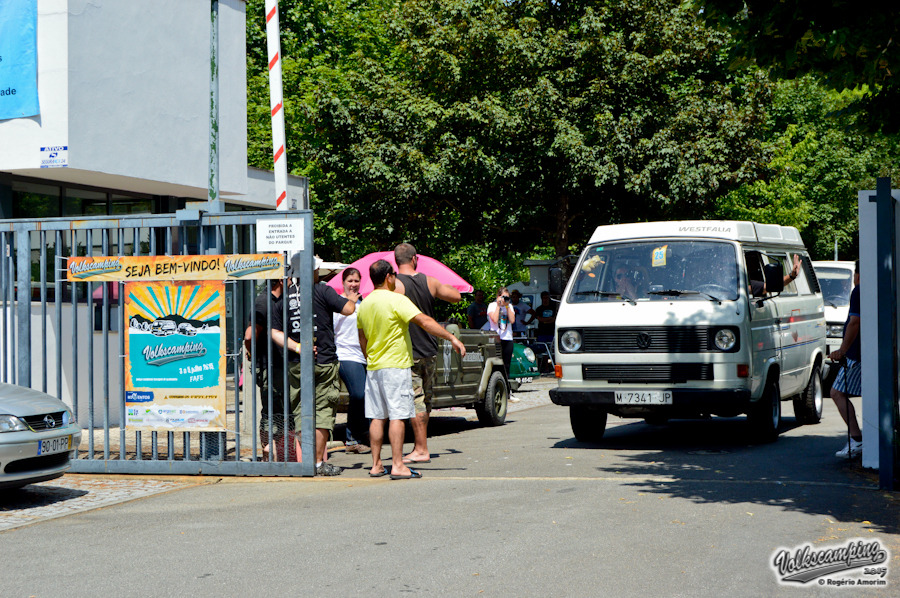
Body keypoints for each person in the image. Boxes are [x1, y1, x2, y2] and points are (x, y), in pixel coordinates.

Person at [357, 259, 466, 479]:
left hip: (374, 366)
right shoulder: (397, 299)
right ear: (388, 277)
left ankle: (376, 465)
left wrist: (370, 356)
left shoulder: (365, 303)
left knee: (377, 417)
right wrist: (451, 337)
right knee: (397, 415)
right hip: (395, 365)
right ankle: (398, 465)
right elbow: (424, 321)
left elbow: (362, 339)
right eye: (394, 276)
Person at [393, 242, 461, 465]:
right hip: (431, 349)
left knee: (415, 401)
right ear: (414, 259)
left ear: (396, 261)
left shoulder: (394, 285)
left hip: (408, 350)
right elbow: (456, 296)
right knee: (426, 400)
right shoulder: (429, 282)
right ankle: (419, 446)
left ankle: (421, 448)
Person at [310, 259, 357, 476]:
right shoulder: (322, 290)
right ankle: (317, 463)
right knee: (323, 412)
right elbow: (347, 309)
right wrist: (350, 301)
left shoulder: (289, 292)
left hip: (296, 360)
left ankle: (301, 461)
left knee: (302, 412)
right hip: (324, 360)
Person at [243, 278, 287, 461]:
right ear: (281, 281)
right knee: (271, 411)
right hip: (269, 365)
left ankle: (277, 452)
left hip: (279, 364)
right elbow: (249, 335)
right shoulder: (263, 302)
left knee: (280, 411)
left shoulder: (279, 301)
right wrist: (253, 354)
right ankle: (267, 453)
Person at [333, 267, 369, 454]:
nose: (353, 284)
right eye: (350, 281)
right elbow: (332, 328)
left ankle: (362, 435)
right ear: (344, 283)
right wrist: (348, 305)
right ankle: (351, 437)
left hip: (364, 355)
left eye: (356, 281)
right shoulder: (336, 303)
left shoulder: (364, 305)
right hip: (345, 355)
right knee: (358, 394)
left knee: (367, 396)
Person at [829, 260, 862, 458]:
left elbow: (854, 322)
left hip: (856, 354)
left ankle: (857, 439)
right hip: (865, 352)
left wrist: (842, 350)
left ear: (857, 274)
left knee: (836, 393)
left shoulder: (858, 291)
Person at [488, 286, 517, 402]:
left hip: (507, 338)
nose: (505, 299)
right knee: (495, 365)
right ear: (498, 296)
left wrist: (507, 306)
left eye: (507, 297)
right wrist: (499, 306)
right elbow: (494, 320)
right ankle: (495, 391)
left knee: (507, 365)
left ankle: (508, 392)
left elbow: (513, 320)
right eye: (503, 297)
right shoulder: (492, 305)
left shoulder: (509, 306)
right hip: (496, 338)